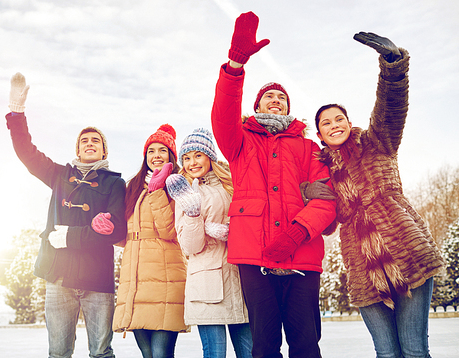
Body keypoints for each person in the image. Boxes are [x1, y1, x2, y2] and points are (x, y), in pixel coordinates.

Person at [310, 32, 445, 358]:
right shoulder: (321, 172)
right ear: (320, 134)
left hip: (407, 255)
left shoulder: (377, 142)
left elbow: (391, 106)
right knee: (385, 352)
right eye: (326, 123)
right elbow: (327, 226)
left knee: (413, 350)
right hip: (363, 268)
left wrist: (393, 66)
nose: (334, 125)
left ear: (349, 122)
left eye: (339, 118)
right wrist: (315, 195)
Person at [210, 12, 337, 358]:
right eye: (269, 97)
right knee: (263, 346)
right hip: (255, 257)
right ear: (256, 106)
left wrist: (297, 233)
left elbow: (326, 199)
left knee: (306, 344)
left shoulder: (309, 147)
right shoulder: (239, 142)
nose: (276, 100)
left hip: (303, 257)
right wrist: (235, 67)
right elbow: (222, 115)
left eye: (281, 98)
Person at [5, 73, 127, 358]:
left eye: (95, 140)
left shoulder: (115, 184)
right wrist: (17, 111)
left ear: (103, 150)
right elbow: (27, 153)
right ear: (78, 148)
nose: (89, 143)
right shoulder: (60, 175)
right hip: (59, 277)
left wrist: (71, 236)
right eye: (84, 140)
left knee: (101, 352)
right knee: (58, 353)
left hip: (98, 281)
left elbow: (118, 230)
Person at [165, 128, 253, 358]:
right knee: (214, 353)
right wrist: (193, 214)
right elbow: (190, 247)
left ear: (210, 156)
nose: (192, 162)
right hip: (207, 283)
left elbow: (249, 223)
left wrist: (232, 232)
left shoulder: (232, 184)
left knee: (250, 352)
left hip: (241, 279)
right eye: (187, 157)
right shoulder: (184, 192)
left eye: (198, 155)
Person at [110, 124, 188, 358]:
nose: (156, 156)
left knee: (161, 353)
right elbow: (126, 236)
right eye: (151, 151)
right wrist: (109, 227)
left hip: (167, 277)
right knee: (147, 354)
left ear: (171, 156)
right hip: (134, 279)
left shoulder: (179, 183)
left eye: (162, 151)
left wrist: (157, 190)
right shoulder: (133, 186)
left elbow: (169, 230)